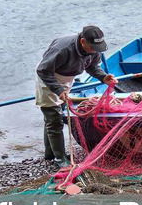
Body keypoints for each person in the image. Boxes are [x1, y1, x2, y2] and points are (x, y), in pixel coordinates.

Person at [35, 25, 117, 168]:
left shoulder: (93, 49)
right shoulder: (62, 49)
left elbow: (92, 66)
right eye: (92, 47)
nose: (95, 50)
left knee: (56, 116)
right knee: (53, 117)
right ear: (83, 41)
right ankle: (60, 158)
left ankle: (50, 153)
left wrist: (103, 77)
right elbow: (43, 70)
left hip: (67, 77)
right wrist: (58, 90)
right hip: (49, 78)